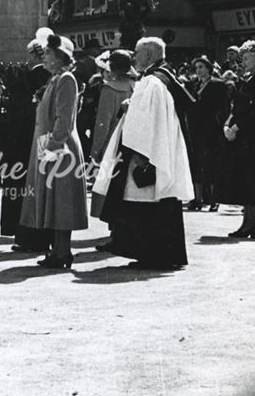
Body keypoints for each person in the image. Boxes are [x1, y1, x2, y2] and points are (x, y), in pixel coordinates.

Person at [92, 37, 194, 269]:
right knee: (160, 201)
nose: (134, 58)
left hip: (147, 151)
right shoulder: (163, 78)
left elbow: (146, 121)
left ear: (148, 55)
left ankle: (153, 256)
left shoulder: (151, 82)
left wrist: (141, 153)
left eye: (137, 53)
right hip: (160, 149)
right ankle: (164, 255)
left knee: (148, 203)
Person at [20, 33, 88, 269]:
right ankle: (58, 251)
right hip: (50, 145)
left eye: (48, 53)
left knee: (61, 202)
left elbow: (64, 120)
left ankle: (63, 252)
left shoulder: (66, 79)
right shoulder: (56, 78)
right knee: (53, 202)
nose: (44, 56)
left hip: (59, 148)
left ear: (60, 57)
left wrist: (52, 148)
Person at [1, 30, 53, 254]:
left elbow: (15, 113)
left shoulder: (25, 78)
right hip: (46, 139)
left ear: (34, 56)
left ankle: (24, 233)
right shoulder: (54, 77)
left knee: (22, 189)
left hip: (22, 141)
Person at [219, 40, 255, 239]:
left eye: (246, 57)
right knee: (246, 179)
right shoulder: (250, 78)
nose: (243, 61)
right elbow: (238, 106)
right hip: (244, 134)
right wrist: (228, 124)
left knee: (254, 178)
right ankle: (248, 223)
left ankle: (250, 223)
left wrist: (235, 127)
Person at [185, 56, 229, 212]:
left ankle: (213, 198)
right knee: (196, 162)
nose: (199, 70)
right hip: (196, 128)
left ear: (209, 68)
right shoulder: (193, 85)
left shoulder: (218, 85)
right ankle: (197, 198)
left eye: (201, 67)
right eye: (196, 68)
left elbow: (223, 107)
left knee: (212, 162)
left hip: (212, 127)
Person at [90, 50, 136, 165]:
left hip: (111, 145)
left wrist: (95, 152)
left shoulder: (109, 89)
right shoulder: (134, 86)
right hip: (130, 144)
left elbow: (103, 124)